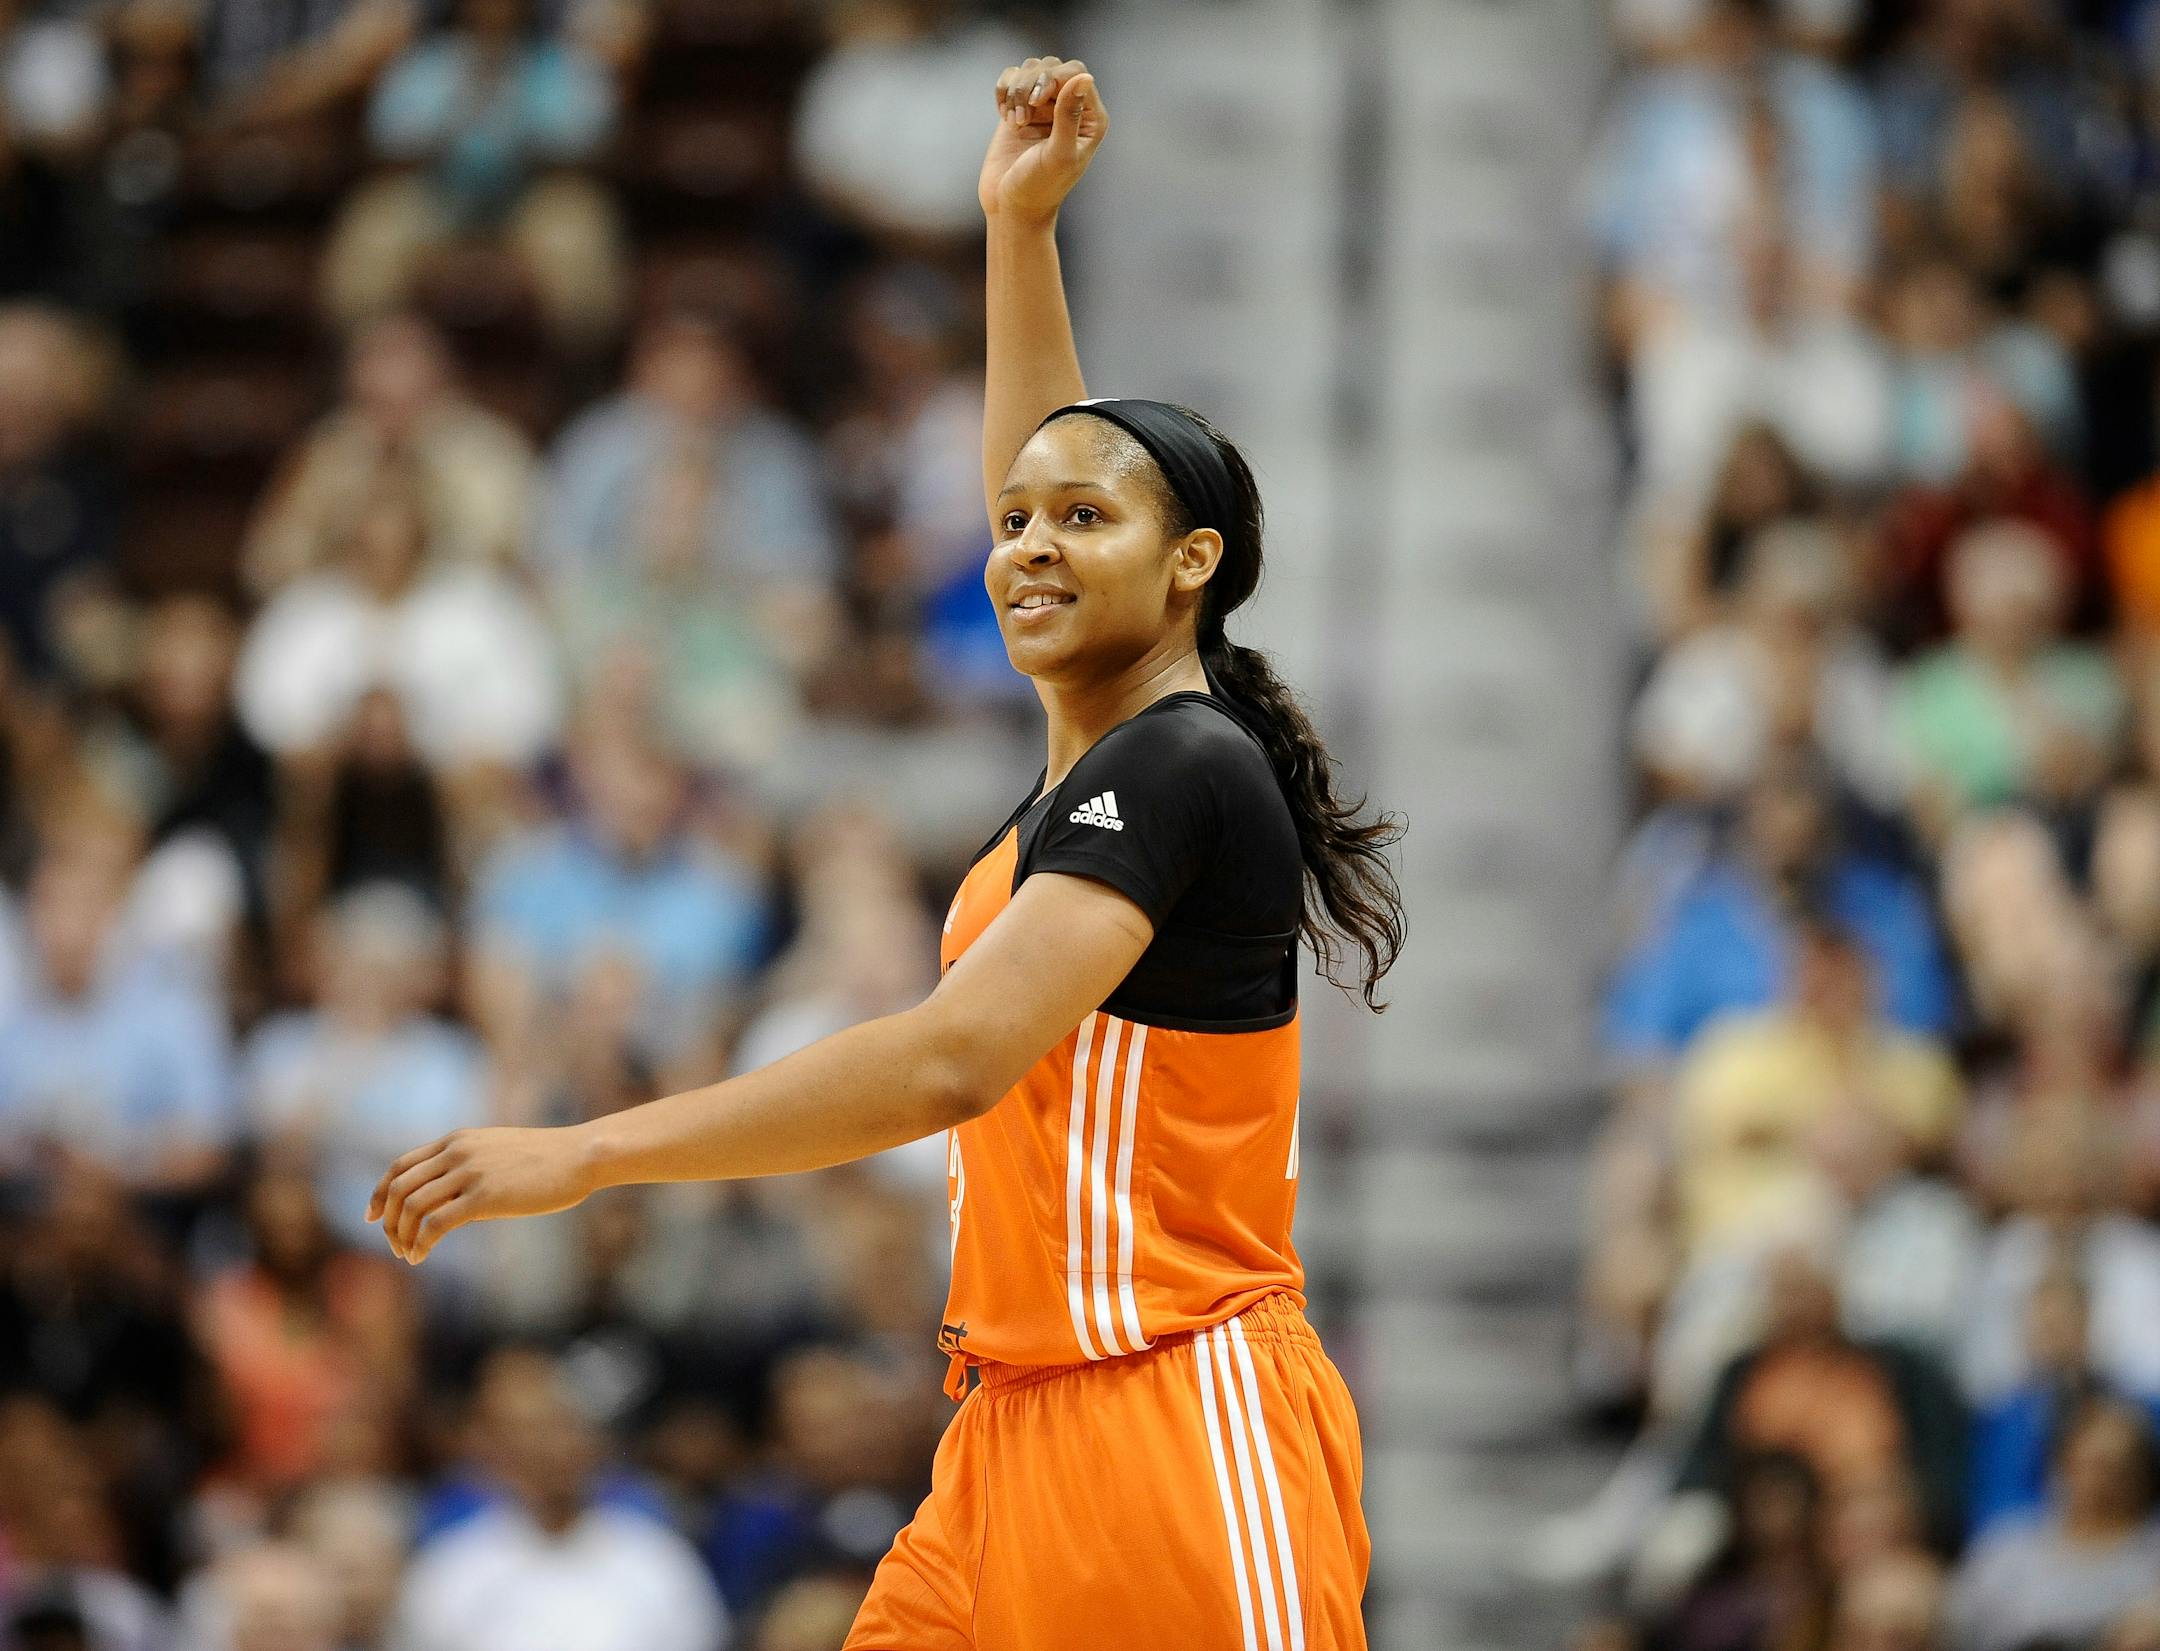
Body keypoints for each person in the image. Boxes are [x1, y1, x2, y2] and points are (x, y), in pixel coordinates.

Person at [370, 55, 1401, 1649]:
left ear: (1194, 566)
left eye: (1086, 524)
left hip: (1178, 1415)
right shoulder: (1091, 765)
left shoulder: (1189, 767)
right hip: (1005, 1432)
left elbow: (946, 1068)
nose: (1031, 545)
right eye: (1012, 526)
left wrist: (587, 1151)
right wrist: (1018, 232)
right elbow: (1041, 459)